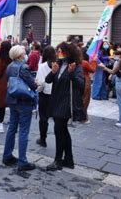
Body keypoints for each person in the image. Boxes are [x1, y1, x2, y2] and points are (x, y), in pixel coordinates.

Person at [45, 42, 85, 171]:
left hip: (66, 104)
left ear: (68, 53)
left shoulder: (76, 67)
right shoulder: (59, 64)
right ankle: (68, 160)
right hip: (56, 101)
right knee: (63, 132)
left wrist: (72, 73)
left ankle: (58, 161)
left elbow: (80, 85)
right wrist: (53, 72)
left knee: (59, 131)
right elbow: (48, 80)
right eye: (57, 51)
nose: (58, 53)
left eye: (60, 51)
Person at [2, 45, 38, 172]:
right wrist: (37, 83)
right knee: (23, 131)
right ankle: (22, 161)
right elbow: (32, 85)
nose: (25, 54)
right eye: (24, 53)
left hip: (13, 99)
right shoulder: (23, 67)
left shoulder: (10, 66)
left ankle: (7, 156)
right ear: (19, 55)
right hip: (24, 101)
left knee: (12, 128)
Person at [35, 46, 56, 147]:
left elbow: (39, 82)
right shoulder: (58, 65)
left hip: (44, 95)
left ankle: (43, 139)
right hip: (56, 95)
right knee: (57, 119)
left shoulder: (42, 66)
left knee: (43, 118)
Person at [0, 41, 12, 133]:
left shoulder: (1, 61)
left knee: (2, 106)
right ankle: (11, 124)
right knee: (12, 105)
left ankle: (0, 125)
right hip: (11, 83)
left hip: (3, 84)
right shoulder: (12, 60)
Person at [81, 49, 97, 124]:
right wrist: (94, 61)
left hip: (78, 81)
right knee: (85, 100)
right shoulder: (84, 62)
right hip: (85, 81)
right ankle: (83, 118)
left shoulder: (76, 61)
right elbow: (92, 70)